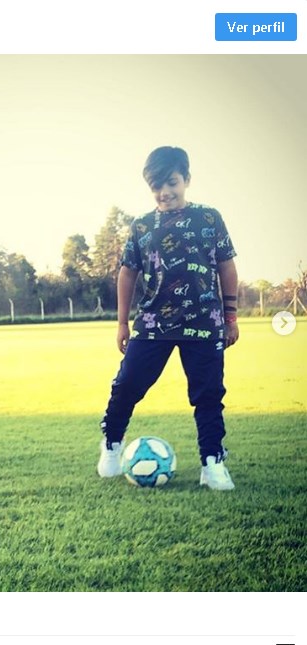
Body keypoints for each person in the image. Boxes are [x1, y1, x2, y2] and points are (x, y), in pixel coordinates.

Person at [97, 146, 239, 490]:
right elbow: (127, 273)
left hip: (204, 322)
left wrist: (231, 315)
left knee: (208, 394)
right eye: (156, 186)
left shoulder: (209, 218)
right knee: (127, 384)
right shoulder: (142, 226)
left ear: (186, 179)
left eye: (172, 183)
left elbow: (226, 266)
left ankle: (212, 462)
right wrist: (122, 323)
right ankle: (112, 443)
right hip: (153, 323)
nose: (164, 192)